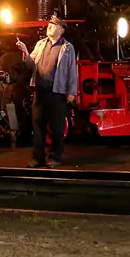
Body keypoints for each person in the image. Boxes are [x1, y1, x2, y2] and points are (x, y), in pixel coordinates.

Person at [15, 15, 77, 168]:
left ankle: (55, 157)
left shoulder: (67, 48)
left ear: (61, 29)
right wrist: (25, 52)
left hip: (57, 92)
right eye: (49, 24)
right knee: (37, 126)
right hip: (40, 91)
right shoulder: (41, 44)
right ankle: (38, 158)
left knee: (57, 128)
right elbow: (31, 65)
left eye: (53, 25)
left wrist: (72, 92)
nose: (49, 26)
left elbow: (72, 71)